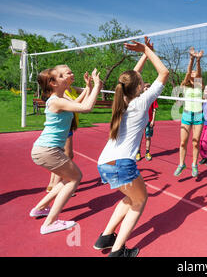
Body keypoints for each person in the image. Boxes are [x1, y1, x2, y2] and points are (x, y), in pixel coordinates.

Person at [94, 37, 169, 257]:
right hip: (122, 163)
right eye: (142, 82)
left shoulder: (122, 100)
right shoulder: (141, 101)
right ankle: (118, 252)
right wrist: (146, 49)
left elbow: (128, 79)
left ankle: (106, 237)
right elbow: (163, 73)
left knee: (130, 198)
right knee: (140, 200)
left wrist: (145, 54)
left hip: (104, 162)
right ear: (138, 87)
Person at [29, 67, 102, 235]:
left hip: (45, 149)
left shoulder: (61, 98)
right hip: (47, 150)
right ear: (53, 83)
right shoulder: (56, 100)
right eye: (62, 75)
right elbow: (87, 108)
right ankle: (50, 222)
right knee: (75, 178)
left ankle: (40, 208)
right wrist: (97, 85)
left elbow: (78, 105)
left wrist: (89, 87)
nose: (67, 76)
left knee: (68, 178)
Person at [46, 65, 92, 193]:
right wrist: (89, 88)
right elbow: (77, 103)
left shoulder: (71, 88)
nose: (72, 74)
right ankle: (57, 186)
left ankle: (53, 184)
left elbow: (84, 91)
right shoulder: (62, 93)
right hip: (64, 129)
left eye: (72, 72)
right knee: (65, 157)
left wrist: (90, 85)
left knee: (63, 156)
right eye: (68, 73)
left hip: (68, 126)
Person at [174, 47, 204, 178]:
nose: (192, 72)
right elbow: (187, 72)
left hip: (198, 114)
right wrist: (191, 59)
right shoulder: (185, 83)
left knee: (196, 142)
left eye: (194, 72)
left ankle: (194, 164)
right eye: (191, 71)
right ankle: (181, 164)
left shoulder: (199, 84)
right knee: (182, 142)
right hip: (186, 114)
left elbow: (199, 73)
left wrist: (198, 61)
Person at [136, 83, 158, 161]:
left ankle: (147, 152)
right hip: (141, 121)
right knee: (139, 137)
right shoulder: (139, 97)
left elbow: (154, 110)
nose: (146, 88)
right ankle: (138, 152)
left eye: (148, 87)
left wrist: (153, 120)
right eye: (145, 87)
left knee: (148, 137)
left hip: (149, 121)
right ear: (142, 88)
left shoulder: (153, 98)